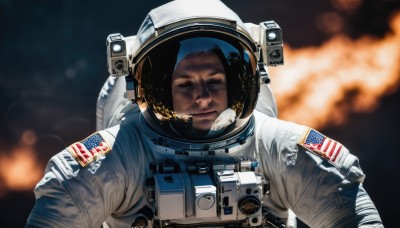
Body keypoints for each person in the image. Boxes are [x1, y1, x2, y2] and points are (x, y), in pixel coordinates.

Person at [26, 0, 383, 227]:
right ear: (157, 90)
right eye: (185, 85)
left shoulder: (280, 149)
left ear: (240, 83)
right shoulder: (117, 157)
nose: (202, 97)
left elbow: (353, 218)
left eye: (215, 80)